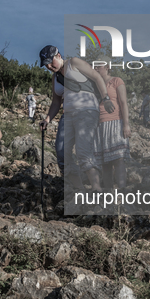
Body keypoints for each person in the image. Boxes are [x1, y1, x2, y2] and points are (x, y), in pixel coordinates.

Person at [38, 45, 115, 191]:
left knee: (83, 151)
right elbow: (56, 102)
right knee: (61, 152)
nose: (48, 66)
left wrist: (105, 98)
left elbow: (97, 77)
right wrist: (47, 119)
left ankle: (97, 189)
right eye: (45, 64)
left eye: (50, 61)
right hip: (68, 115)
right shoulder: (55, 78)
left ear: (58, 56)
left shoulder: (73, 63)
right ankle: (79, 189)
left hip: (87, 111)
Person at [93, 58, 131, 189]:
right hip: (99, 125)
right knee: (105, 162)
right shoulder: (94, 84)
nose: (96, 68)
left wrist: (126, 124)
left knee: (118, 158)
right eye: (95, 66)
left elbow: (123, 103)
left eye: (99, 65)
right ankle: (108, 193)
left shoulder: (116, 81)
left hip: (115, 122)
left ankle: (121, 191)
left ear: (108, 66)